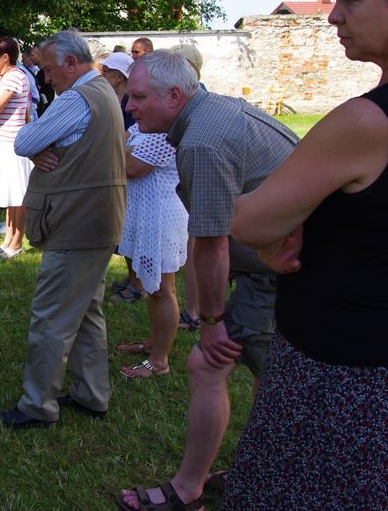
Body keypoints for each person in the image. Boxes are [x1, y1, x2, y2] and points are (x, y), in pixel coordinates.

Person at [222, 0, 388, 509]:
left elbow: (250, 221)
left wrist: (290, 222)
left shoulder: (367, 119)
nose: (333, 16)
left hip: (348, 370)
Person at [117, 50, 298, 510]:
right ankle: (261, 469)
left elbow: (213, 242)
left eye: (138, 97)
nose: (130, 105)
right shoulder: (212, 111)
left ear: (174, 95)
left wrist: (212, 320)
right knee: (274, 376)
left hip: (281, 273)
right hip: (285, 267)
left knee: (209, 365)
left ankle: (188, 489)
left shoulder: (202, 142)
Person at [0, 29, 126, 427]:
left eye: (49, 70)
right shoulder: (102, 92)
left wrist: (37, 145)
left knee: (51, 317)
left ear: (72, 63)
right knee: (87, 312)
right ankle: (90, 394)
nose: (46, 78)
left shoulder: (77, 98)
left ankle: (37, 406)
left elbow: (24, 140)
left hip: (78, 222)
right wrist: (41, 148)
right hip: (96, 221)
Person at [114, 117, 188, 378]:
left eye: (141, 95)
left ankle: (159, 362)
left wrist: (124, 150)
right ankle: (152, 344)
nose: (133, 105)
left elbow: (129, 166)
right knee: (151, 287)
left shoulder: (167, 129)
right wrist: (123, 148)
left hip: (161, 218)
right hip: (146, 215)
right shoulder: (143, 125)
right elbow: (118, 142)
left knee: (163, 290)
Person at [168, 43, 206, 331]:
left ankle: (195, 313)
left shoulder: (196, 101)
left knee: (198, 252)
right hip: (184, 184)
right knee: (194, 252)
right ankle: (194, 310)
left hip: (195, 185)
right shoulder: (191, 98)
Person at [0, 37, 33, 259]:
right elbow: (21, 112)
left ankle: (16, 243)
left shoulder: (12, 77)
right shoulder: (12, 76)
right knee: (10, 196)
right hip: (7, 142)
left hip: (12, 144)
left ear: (6, 57)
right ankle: (8, 241)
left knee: (18, 196)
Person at [100, 52, 135, 129]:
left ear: (119, 77)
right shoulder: (107, 97)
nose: (101, 75)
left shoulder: (131, 103)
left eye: (105, 71)